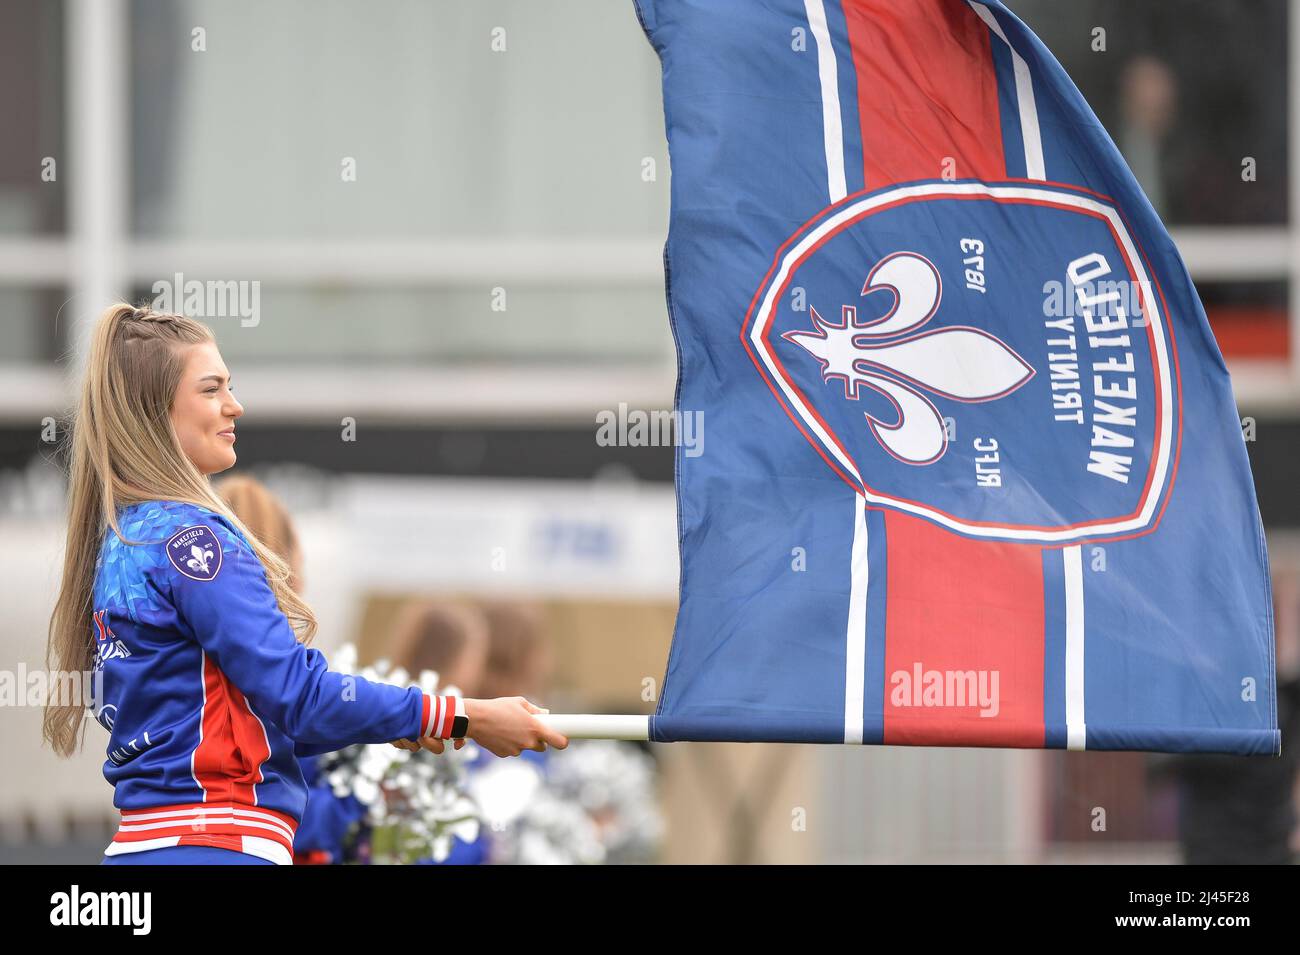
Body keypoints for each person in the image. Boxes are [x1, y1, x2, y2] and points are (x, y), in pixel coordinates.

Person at [41, 302, 568, 865]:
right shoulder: (195, 541)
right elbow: (297, 693)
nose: (234, 405)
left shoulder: (124, 540)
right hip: (218, 848)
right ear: (155, 409)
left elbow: (254, 719)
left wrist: (401, 721)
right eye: (212, 389)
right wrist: (467, 716)